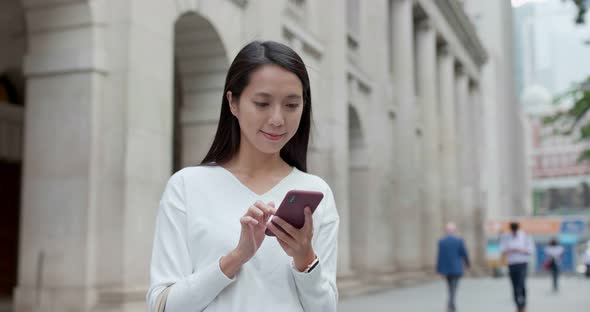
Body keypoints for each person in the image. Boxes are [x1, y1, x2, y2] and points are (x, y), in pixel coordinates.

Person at [146, 41, 339, 312]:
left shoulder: (316, 193)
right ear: (233, 103)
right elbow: (163, 306)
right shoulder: (187, 186)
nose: (277, 119)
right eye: (262, 103)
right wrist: (237, 257)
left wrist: (305, 258)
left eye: (292, 105)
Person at [500, 222, 535, 312]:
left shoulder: (525, 236)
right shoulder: (506, 237)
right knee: (514, 285)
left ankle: (523, 304)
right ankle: (518, 305)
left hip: (522, 263)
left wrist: (521, 250)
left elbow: (531, 250)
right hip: (512, 264)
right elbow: (502, 249)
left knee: (521, 284)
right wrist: (509, 250)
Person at [436, 222, 470, 312]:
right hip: (456, 267)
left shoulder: (441, 241)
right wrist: (467, 264)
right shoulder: (459, 240)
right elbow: (464, 253)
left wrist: (438, 269)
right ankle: (451, 302)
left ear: (446, 231)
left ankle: (451, 302)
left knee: (449, 285)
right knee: (454, 286)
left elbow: (439, 256)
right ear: (454, 231)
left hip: (446, 268)